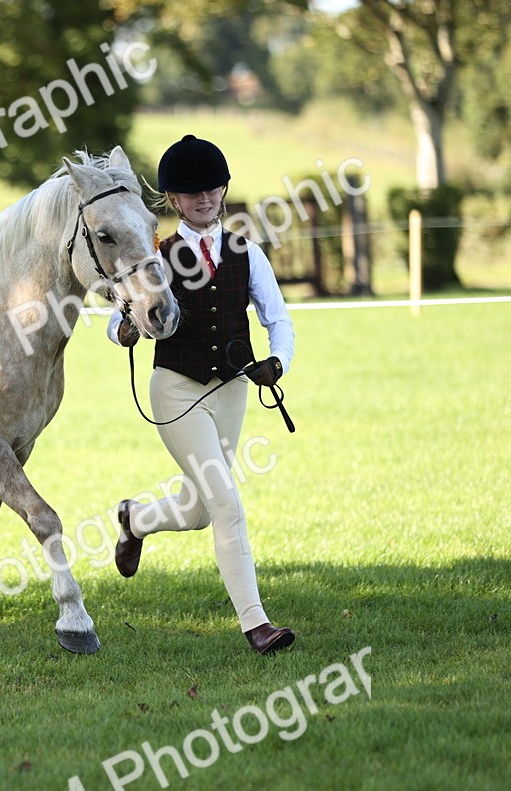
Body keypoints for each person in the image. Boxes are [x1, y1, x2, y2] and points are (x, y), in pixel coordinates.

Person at [107, 134, 296, 654]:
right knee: (227, 502)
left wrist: (277, 361)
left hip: (232, 392)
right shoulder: (157, 257)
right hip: (176, 389)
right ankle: (256, 624)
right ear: (174, 201)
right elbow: (117, 323)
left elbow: (278, 319)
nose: (204, 199)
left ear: (224, 190)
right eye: (192, 194)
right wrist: (123, 331)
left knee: (200, 509)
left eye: (212, 189)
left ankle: (135, 520)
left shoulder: (247, 253)